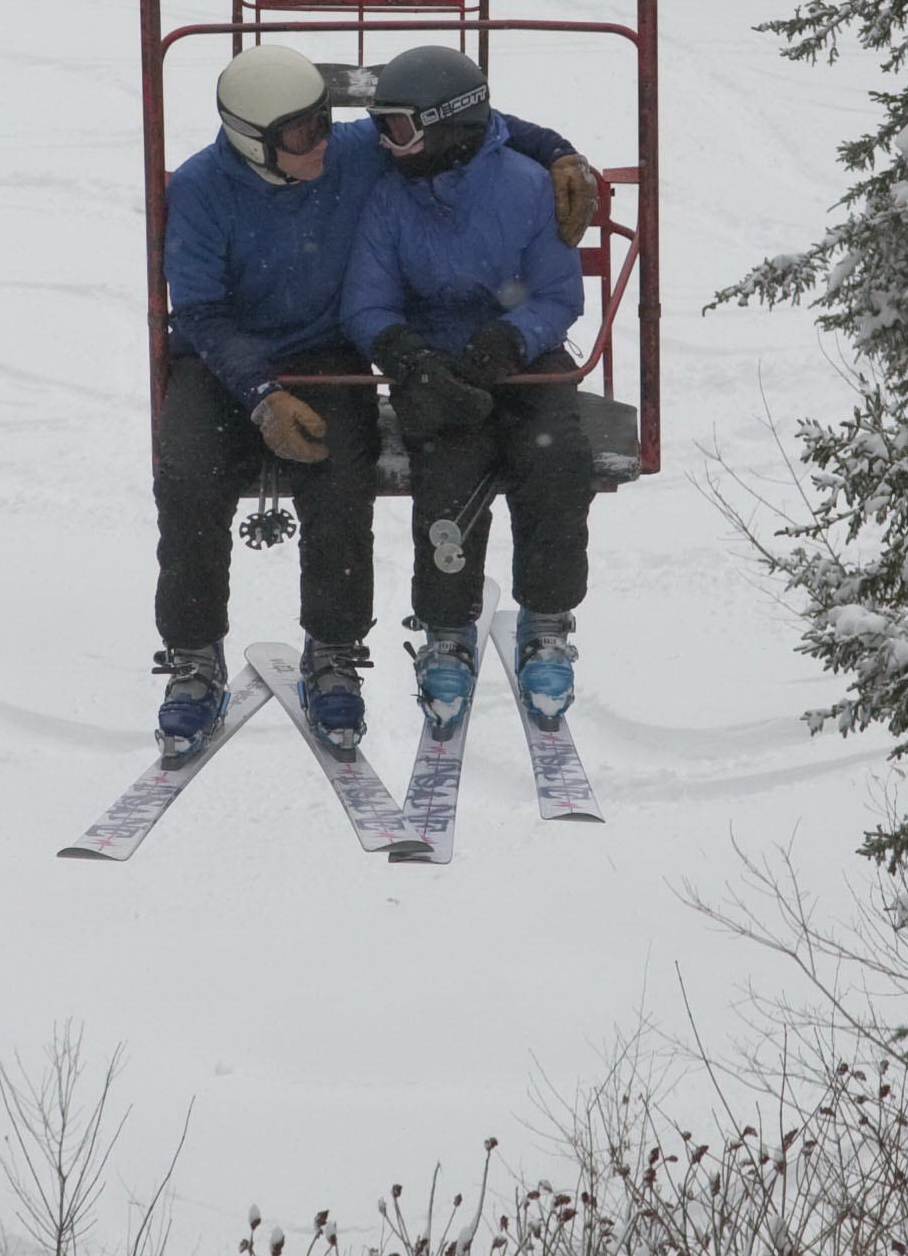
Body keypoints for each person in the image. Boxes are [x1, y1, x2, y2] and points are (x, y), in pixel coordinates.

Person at [157, 43, 595, 758]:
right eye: (302, 134)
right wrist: (262, 395)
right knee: (186, 474)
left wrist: (558, 152)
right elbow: (200, 311)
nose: (324, 142)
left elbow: (469, 122)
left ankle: (333, 647)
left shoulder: (360, 152)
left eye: (326, 122)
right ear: (251, 140)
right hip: (222, 361)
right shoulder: (203, 190)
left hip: (326, 357)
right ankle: (192, 652)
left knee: (339, 474)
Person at [339, 45, 593, 735]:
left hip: (526, 358)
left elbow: (556, 292)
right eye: (382, 127)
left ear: (448, 125)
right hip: (437, 366)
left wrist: (511, 338)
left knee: (554, 462)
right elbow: (366, 299)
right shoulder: (390, 200)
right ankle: (446, 627)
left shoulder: (525, 186)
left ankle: (545, 621)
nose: (385, 145)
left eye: (397, 128)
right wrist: (405, 354)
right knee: (447, 474)